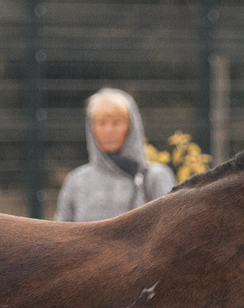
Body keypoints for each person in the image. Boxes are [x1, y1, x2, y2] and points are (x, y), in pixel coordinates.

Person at [54, 89, 174, 222]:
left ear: (131, 127)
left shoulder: (155, 177)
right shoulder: (76, 181)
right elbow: (60, 237)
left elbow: (171, 232)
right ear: (91, 128)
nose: (108, 130)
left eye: (116, 122)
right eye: (101, 123)